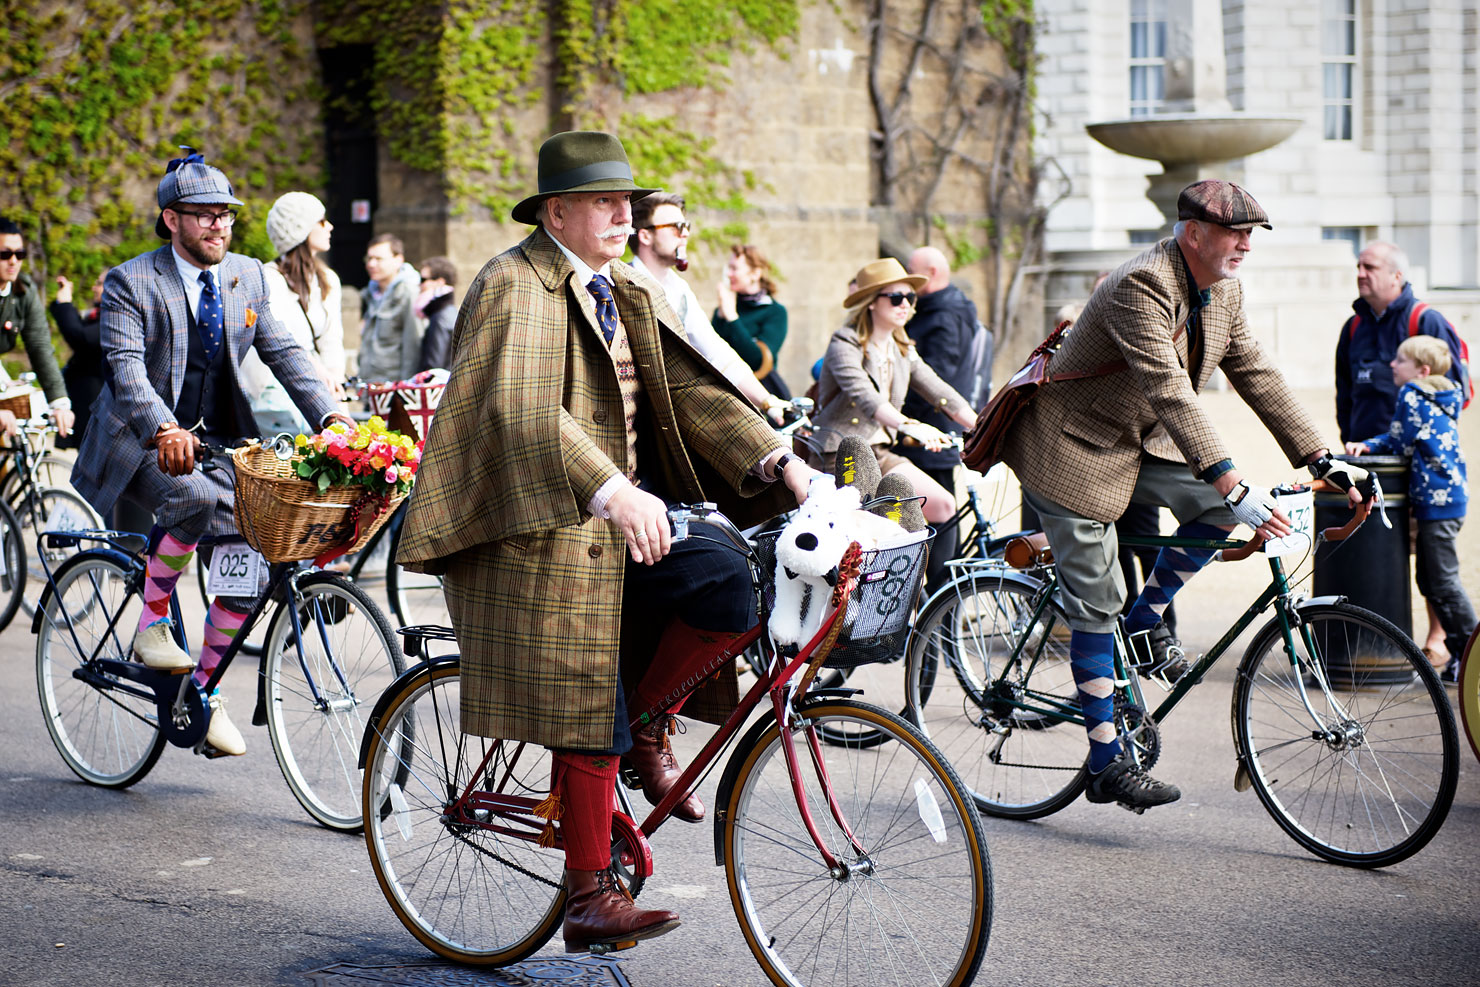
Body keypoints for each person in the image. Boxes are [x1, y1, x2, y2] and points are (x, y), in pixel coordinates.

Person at [394, 131, 818, 954]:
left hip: (611, 520)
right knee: (588, 667)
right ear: (557, 211)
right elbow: (520, 409)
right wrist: (611, 486)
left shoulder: (622, 287)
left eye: (628, 200)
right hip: (526, 528)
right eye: (604, 201)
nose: (625, 214)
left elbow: (694, 392)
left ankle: (643, 725)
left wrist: (778, 460)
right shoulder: (513, 285)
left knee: (734, 583)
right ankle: (588, 893)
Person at [1000, 180, 1363, 812]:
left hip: (1136, 443)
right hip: (1072, 448)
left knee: (1220, 510)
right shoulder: (1140, 283)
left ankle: (1146, 623)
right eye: (1235, 233)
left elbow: (1254, 370)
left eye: (1253, 235)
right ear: (1192, 233)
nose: (1246, 245)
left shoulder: (1224, 289)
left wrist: (1320, 457)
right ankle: (1107, 762)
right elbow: (1170, 389)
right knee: (1097, 598)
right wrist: (1232, 477)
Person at [69, 151, 349, 757]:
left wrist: (332, 417)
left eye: (225, 215)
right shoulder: (131, 281)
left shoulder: (245, 275)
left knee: (258, 545)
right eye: (203, 216)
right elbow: (125, 373)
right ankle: (151, 622)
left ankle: (196, 691)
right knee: (194, 499)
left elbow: (283, 352)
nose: (218, 226)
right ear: (171, 220)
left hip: (218, 438)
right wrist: (165, 428)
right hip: (139, 438)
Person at [1346, 335, 1474, 682]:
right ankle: (1463, 652)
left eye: (1400, 360)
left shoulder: (1413, 394)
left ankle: (1471, 653)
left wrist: (1366, 446)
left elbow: (1399, 441)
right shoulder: (1445, 395)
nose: (1392, 365)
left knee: (1442, 581)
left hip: (1435, 501)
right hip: (1450, 498)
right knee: (1430, 579)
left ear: (1423, 370)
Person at [812, 257, 977, 526]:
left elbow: (940, 391)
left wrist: (985, 426)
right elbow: (865, 395)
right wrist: (910, 426)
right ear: (872, 302)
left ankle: (930, 570)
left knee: (942, 505)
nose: (905, 305)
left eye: (910, 297)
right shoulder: (845, 342)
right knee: (870, 527)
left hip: (881, 453)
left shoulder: (902, 349)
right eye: (896, 297)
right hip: (840, 454)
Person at [627, 192, 782, 418]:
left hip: (671, 411)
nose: (685, 233)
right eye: (675, 227)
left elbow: (715, 351)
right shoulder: (620, 282)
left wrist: (767, 400)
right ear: (645, 236)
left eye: (686, 225)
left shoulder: (680, 290)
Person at [900, 245, 982, 587]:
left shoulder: (943, 313)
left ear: (931, 273)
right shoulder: (945, 307)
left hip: (928, 435)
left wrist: (906, 420)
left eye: (912, 272)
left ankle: (940, 603)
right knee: (940, 516)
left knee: (938, 520)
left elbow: (938, 376)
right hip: (929, 430)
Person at [1336, 241, 1467, 444]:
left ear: (1396, 276)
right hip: (1363, 456)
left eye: (1370, 267)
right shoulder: (1353, 327)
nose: (1360, 274)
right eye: (1359, 267)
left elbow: (1453, 395)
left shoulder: (1426, 321)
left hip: (1413, 463)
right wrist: (1351, 443)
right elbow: (1344, 396)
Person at [241, 191, 346, 435]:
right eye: (321, 221)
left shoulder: (328, 279)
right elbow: (281, 342)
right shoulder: (269, 279)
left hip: (324, 389)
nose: (329, 226)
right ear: (302, 230)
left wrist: (334, 383)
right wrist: (318, 374)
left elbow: (332, 340)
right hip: (279, 396)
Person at [0, 215, 75, 440]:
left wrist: (59, 402)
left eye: (19, 254)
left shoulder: (23, 290)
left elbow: (40, 346)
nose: (14, 261)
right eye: (5, 254)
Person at [712, 243, 789, 399]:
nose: (729, 274)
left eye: (735, 268)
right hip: (722, 393)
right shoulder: (725, 308)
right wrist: (722, 315)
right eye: (729, 268)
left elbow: (758, 361)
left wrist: (732, 318)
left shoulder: (775, 312)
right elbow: (709, 353)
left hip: (757, 395)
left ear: (755, 274)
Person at [49, 268, 109, 449]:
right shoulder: (97, 315)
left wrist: (66, 304)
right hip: (87, 398)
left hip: (97, 401)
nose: (94, 287)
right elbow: (79, 331)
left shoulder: (114, 317)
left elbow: (81, 338)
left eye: (99, 283)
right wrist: (63, 302)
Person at [358, 233, 422, 382]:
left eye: (379, 259)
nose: (371, 264)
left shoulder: (408, 293)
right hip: (371, 386)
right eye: (369, 258)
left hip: (394, 389)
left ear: (398, 260)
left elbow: (413, 346)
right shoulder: (370, 292)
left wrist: (405, 390)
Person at [414, 255, 457, 372]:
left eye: (423, 280)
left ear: (439, 282)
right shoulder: (447, 311)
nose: (419, 285)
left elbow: (433, 367)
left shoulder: (440, 317)